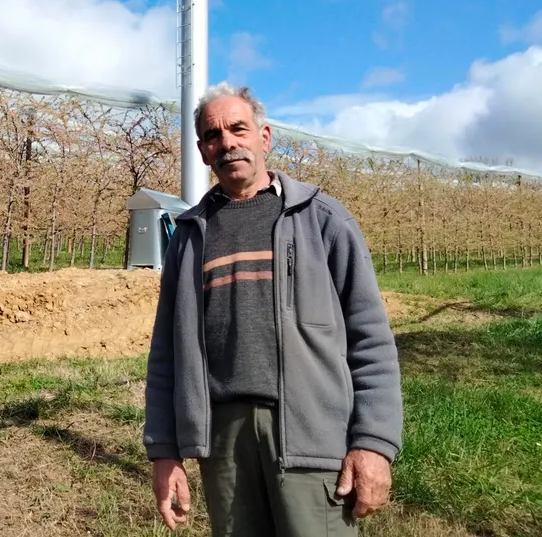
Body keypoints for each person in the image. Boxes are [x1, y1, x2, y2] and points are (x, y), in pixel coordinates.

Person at [144, 82, 402, 536]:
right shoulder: (188, 236)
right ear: (204, 152)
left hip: (311, 433)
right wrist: (164, 450)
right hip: (222, 442)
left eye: (238, 128)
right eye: (213, 135)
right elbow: (167, 351)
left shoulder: (321, 219)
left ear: (264, 138)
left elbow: (370, 339)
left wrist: (374, 444)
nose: (227, 143)